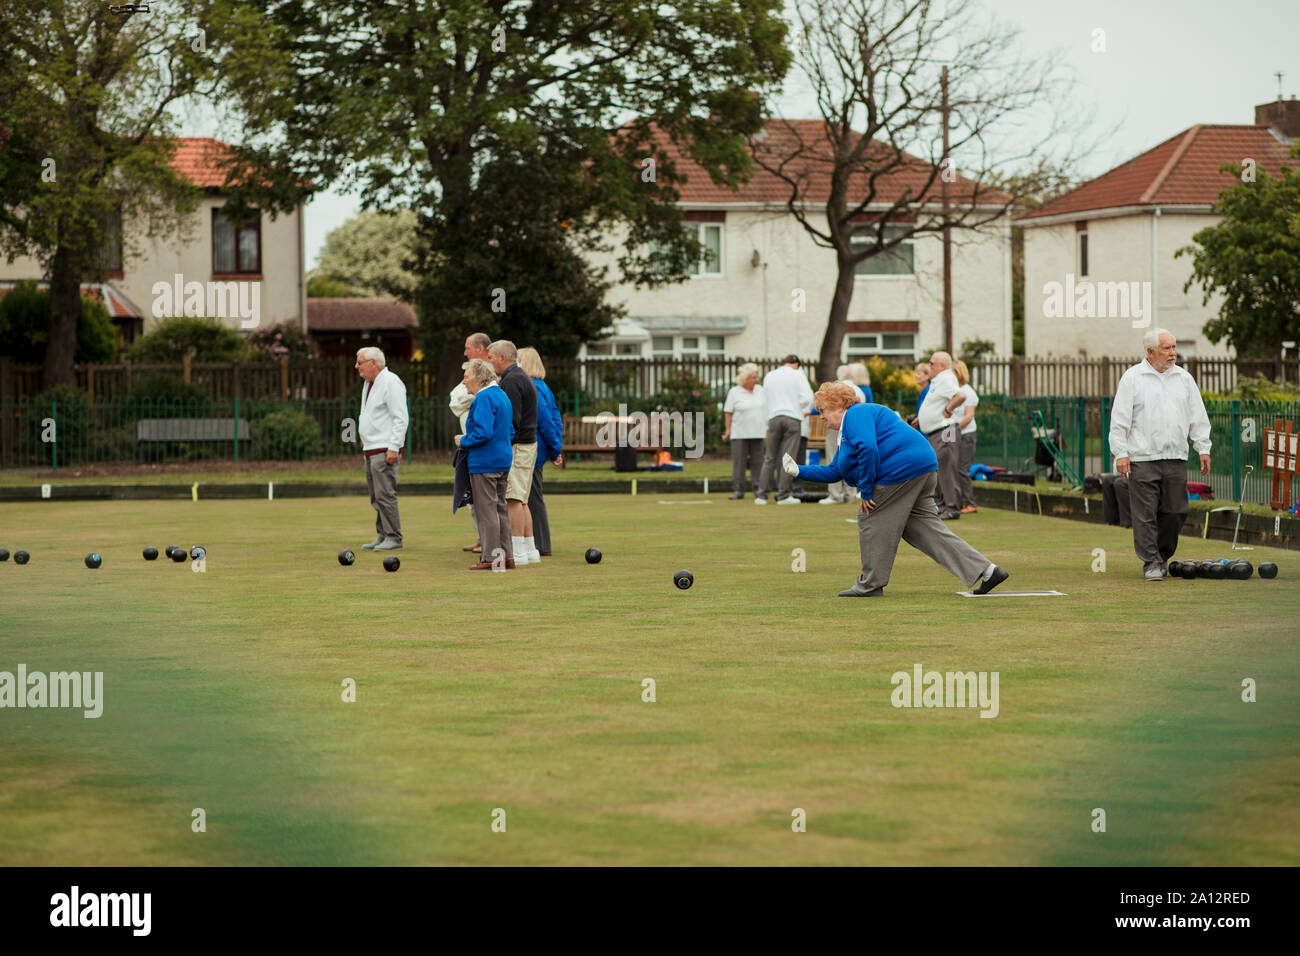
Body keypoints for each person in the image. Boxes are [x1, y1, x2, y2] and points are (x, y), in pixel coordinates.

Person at [784, 382, 1008, 597]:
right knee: (924, 530)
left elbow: (869, 449)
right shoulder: (846, 431)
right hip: (922, 467)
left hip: (902, 470)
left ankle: (870, 584)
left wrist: (867, 491)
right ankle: (987, 571)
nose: (820, 416)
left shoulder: (856, 414)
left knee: (870, 516)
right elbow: (835, 471)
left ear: (840, 406)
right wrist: (798, 471)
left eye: (823, 410)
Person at [1109, 328, 1212, 581]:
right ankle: (1151, 561)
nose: (1173, 353)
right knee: (1144, 514)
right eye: (1167, 348)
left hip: (1176, 456)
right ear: (1150, 351)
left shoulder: (1184, 379)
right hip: (1142, 457)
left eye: (1174, 348)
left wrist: (1203, 447)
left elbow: (1197, 416)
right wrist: (1121, 453)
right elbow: (1120, 419)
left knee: (1176, 510)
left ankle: (1163, 555)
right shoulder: (1132, 378)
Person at [456, 359, 515, 570]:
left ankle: (491, 558)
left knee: (486, 510)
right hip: (503, 459)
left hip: (485, 462)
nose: (464, 383)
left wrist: (463, 440)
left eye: (466, 377)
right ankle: (506, 556)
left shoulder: (483, 398)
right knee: (500, 508)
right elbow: (509, 431)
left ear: (479, 378)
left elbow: (483, 432)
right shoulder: (501, 395)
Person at [487, 340, 540, 564]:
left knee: (513, 498)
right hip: (528, 444)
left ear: (502, 357)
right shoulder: (521, 376)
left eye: (490, 357)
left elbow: (512, 420)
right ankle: (529, 550)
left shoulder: (511, 381)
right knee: (522, 499)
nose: (489, 362)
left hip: (519, 446)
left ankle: (517, 551)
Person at [356, 347, 408, 552]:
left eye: (360, 362)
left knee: (385, 494)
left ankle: (394, 537)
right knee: (376, 496)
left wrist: (394, 447)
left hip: (385, 448)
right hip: (372, 448)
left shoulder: (391, 382)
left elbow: (400, 417)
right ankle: (383, 534)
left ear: (373, 363)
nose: (356, 366)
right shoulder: (369, 384)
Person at [449, 332, 493, 555]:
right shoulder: (471, 374)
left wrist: (469, 398)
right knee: (475, 500)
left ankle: (492, 545)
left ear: (480, 348)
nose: (465, 352)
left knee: (488, 501)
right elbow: (454, 400)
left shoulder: (490, 377)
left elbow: (476, 401)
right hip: (471, 446)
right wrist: (468, 397)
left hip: (481, 447)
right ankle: (482, 539)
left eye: (468, 347)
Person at [518, 347, 563, 556]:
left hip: (534, 448)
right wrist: (556, 448)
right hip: (542, 448)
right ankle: (536, 542)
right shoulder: (544, 387)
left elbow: (545, 421)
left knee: (533, 498)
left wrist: (555, 451)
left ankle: (541, 544)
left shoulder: (533, 388)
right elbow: (556, 419)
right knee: (532, 496)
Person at [754, 355, 814, 505]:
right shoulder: (797, 374)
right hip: (792, 418)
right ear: (796, 364)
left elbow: (764, 401)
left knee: (769, 458)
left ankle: (761, 496)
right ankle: (783, 495)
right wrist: (796, 406)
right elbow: (808, 398)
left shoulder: (770, 375)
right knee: (788, 458)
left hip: (773, 418)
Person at [916, 351, 966, 519]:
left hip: (946, 430)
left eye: (932, 363)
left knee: (946, 467)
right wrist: (920, 418)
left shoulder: (945, 377)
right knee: (938, 467)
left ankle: (951, 508)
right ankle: (941, 505)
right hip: (937, 431)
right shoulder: (938, 381)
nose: (929, 366)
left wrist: (948, 409)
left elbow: (960, 396)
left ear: (942, 366)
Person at [821, 364, 867, 505]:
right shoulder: (860, 390)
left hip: (836, 426)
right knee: (851, 458)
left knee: (832, 457)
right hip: (855, 428)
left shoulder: (835, 389)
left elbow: (823, 407)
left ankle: (835, 495)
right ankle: (850, 493)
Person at [723, 363, 765, 500]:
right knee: (739, 463)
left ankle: (758, 489)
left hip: (758, 432)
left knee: (758, 462)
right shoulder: (734, 392)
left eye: (756, 376)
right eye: (753, 377)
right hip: (739, 433)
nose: (756, 379)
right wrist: (728, 430)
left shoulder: (761, 390)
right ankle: (738, 491)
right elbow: (728, 413)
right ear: (745, 379)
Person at [951, 359, 980, 514]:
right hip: (957, 434)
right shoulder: (954, 392)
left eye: (954, 373)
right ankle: (960, 501)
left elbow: (968, 416)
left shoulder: (968, 393)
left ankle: (970, 503)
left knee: (962, 469)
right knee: (954, 469)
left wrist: (951, 431)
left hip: (966, 435)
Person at [907, 362, 931, 427]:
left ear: (927, 376)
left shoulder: (929, 391)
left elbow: (930, 412)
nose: (915, 375)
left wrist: (919, 419)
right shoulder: (923, 391)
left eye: (918, 373)